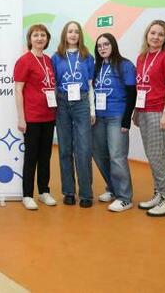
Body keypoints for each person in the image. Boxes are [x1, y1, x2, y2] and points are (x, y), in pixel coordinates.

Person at [132, 20, 165, 217]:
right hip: (143, 111)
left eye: (161, 34)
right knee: (153, 155)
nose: (156, 37)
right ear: (147, 35)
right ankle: (159, 193)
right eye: (153, 33)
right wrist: (136, 111)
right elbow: (140, 87)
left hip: (160, 112)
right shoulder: (142, 57)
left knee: (157, 155)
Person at [14, 24, 58, 210]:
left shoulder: (48, 60)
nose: (39, 38)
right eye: (35, 35)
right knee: (31, 157)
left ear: (47, 39)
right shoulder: (24, 61)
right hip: (32, 117)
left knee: (45, 156)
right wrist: (21, 118)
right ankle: (27, 195)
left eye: (42, 35)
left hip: (49, 115)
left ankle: (44, 191)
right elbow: (18, 90)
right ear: (30, 39)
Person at [51, 21, 95, 208]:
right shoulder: (56, 57)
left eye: (76, 32)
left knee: (83, 150)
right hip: (62, 102)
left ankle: (86, 194)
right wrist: (53, 108)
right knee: (65, 149)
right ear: (65, 34)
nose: (73, 34)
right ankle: (68, 192)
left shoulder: (87, 56)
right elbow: (53, 85)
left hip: (82, 102)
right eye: (70, 31)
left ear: (80, 35)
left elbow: (91, 85)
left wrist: (92, 110)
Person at [91, 33, 136, 212]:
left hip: (117, 116)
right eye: (99, 45)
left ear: (113, 45)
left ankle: (124, 197)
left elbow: (132, 93)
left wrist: (126, 120)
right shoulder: (97, 66)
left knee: (117, 156)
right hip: (98, 117)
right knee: (100, 154)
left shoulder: (125, 65)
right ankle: (113, 188)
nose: (102, 48)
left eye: (106, 44)